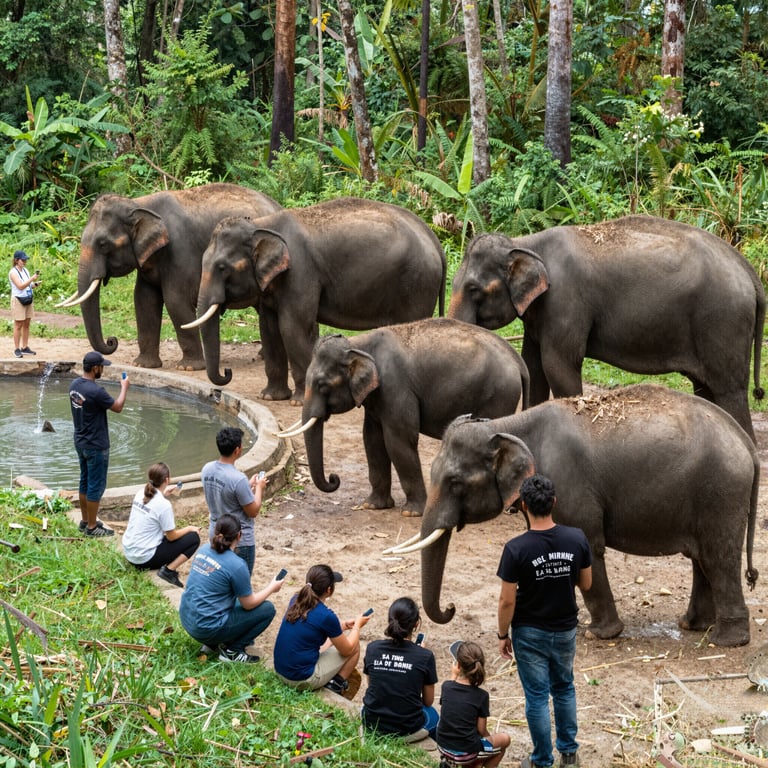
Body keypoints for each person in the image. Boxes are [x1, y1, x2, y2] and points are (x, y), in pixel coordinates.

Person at [497, 474, 593, 768]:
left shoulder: (515, 549)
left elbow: (507, 601)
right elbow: (586, 584)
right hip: (565, 629)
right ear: (554, 502)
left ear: (524, 506)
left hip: (529, 632)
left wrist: (503, 634)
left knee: (537, 696)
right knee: (564, 687)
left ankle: (542, 759)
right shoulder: (576, 538)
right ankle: (569, 753)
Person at [179, 513, 284, 663]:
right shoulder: (237, 564)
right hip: (205, 628)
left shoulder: (203, 549)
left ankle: (211, 644)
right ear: (239, 535)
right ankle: (233, 651)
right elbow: (249, 604)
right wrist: (271, 587)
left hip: (187, 619)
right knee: (267, 609)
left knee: (224, 595)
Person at [273, 564, 370, 697]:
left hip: (280, 670)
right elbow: (347, 649)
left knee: (331, 641)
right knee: (355, 646)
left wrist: (342, 625)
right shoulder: (326, 616)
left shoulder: (296, 599)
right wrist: (358, 626)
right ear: (329, 590)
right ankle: (335, 686)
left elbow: (311, 625)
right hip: (300, 680)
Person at [69, 350, 129, 537]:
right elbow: (117, 407)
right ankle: (93, 528)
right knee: (96, 485)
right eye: (102, 366)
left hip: (81, 442)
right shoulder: (96, 391)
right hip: (96, 445)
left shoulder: (75, 385)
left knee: (84, 481)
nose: (103, 369)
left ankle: (85, 521)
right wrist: (124, 387)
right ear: (95, 368)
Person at [362, 597, 439, 742]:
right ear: (416, 624)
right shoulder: (425, 656)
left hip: (372, 723)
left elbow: (372, 685)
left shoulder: (372, 648)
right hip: (406, 729)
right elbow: (428, 701)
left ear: (389, 620)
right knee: (434, 716)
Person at [122, 462, 202, 587]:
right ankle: (169, 571)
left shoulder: (140, 493)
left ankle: (167, 569)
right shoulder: (163, 505)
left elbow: (152, 503)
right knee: (193, 538)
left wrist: (163, 493)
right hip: (144, 558)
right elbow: (171, 536)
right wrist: (189, 528)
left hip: (130, 552)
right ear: (167, 480)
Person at [201, 427, 267, 575]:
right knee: (240, 587)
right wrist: (259, 488)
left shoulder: (207, 469)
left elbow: (226, 494)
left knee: (221, 580)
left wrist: (248, 485)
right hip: (239, 541)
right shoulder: (238, 478)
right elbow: (253, 511)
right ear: (237, 450)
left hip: (215, 534)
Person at [436, 640, 511, 768]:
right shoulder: (482, 696)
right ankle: (477, 763)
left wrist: (453, 675)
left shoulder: (446, 686)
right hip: (466, 753)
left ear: (458, 666)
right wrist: (489, 740)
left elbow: (450, 705)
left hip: (443, 748)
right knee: (505, 739)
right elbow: (481, 730)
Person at [8, 250, 41, 358]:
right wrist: (32, 278)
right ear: (16, 260)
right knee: (18, 325)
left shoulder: (25, 270)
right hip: (18, 300)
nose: (25, 262)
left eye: (25, 260)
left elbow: (28, 285)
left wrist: (34, 284)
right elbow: (20, 286)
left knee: (27, 324)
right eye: (23, 260)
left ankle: (25, 347)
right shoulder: (13, 272)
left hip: (27, 299)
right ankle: (17, 349)